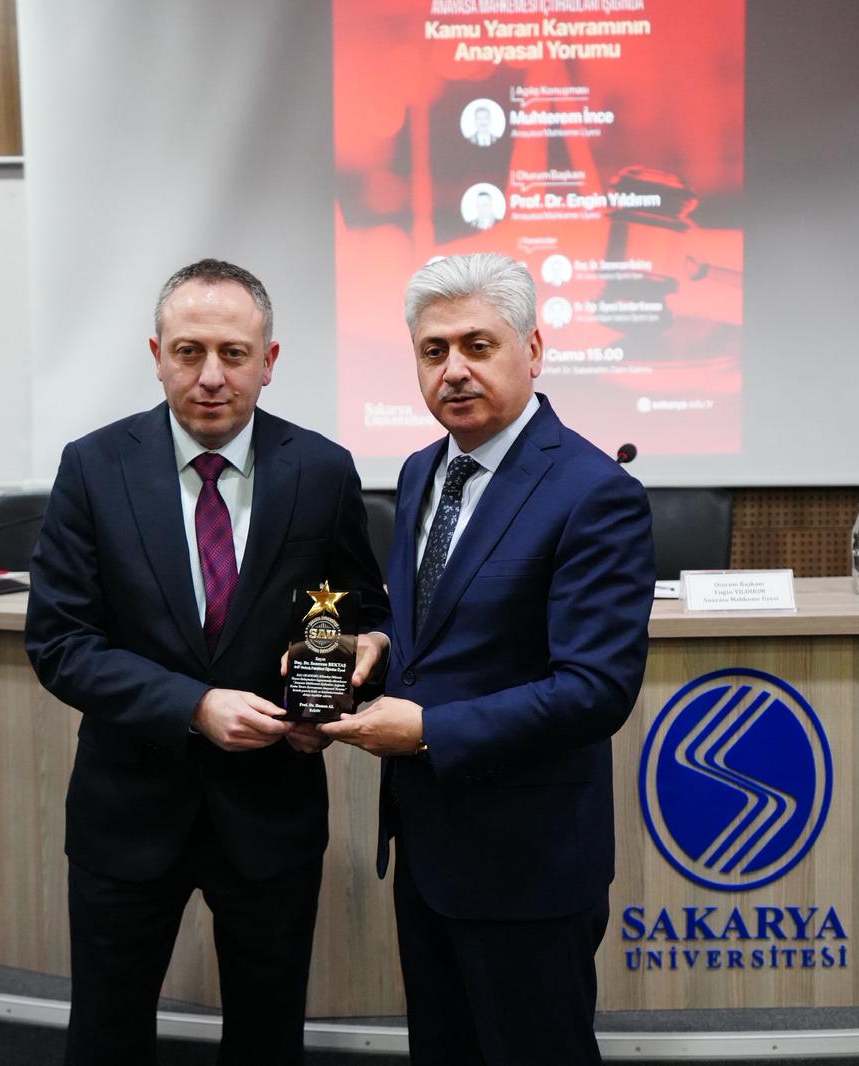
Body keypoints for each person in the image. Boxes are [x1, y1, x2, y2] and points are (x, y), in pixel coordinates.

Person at [24, 258, 389, 1065]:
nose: (212, 376)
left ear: (269, 360)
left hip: (272, 812)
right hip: (127, 812)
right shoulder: (94, 467)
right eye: (189, 352)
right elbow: (60, 643)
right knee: (107, 1037)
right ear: (157, 355)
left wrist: (337, 696)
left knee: (268, 1038)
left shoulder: (323, 471)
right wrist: (192, 705)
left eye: (234, 353)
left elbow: (361, 616)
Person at [321, 253, 654, 1066]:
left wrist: (427, 730)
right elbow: (445, 627)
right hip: (427, 852)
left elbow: (595, 690)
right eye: (433, 351)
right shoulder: (420, 471)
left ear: (532, 351)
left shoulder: (593, 491)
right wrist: (383, 645)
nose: (455, 370)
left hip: (528, 863)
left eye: (478, 345)